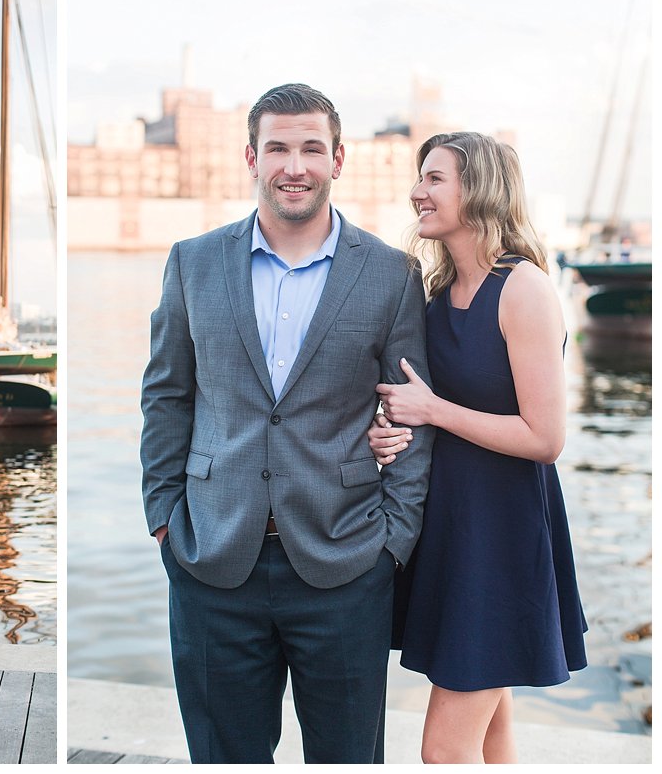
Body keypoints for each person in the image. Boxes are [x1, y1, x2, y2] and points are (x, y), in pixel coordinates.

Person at [140, 83, 434, 764]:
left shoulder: (392, 275)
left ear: (338, 159)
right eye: (278, 147)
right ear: (251, 156)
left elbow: (413, 410)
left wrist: (394, 538)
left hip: (347, 562)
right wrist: (164, 517)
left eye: (310, 148)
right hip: (212, 560)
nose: (293, 166)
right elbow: (166, 396)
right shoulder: (192, 262)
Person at [368, 132, 587, 763]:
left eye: (435, 179)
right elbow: (435, 419)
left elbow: (546, 439)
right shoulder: (436, 297)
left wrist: (432, 410)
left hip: (502, 537)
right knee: (493, 739)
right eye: (421, 177)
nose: (418, 193)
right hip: (451, 530)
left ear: (480, 189)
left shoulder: (524, 290)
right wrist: (395, 431)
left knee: (443, 754)